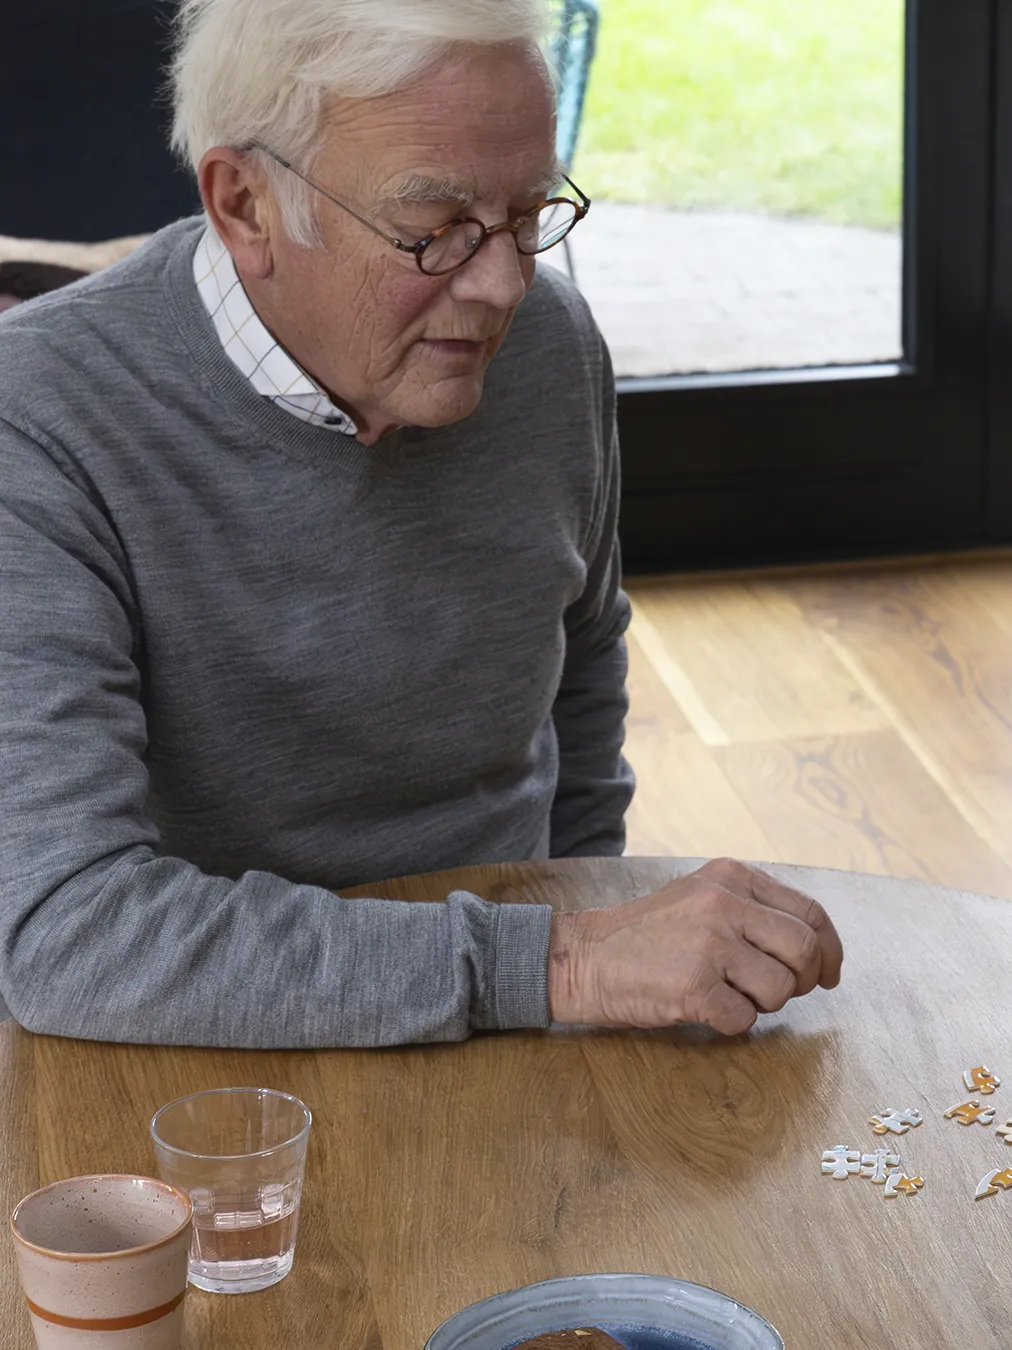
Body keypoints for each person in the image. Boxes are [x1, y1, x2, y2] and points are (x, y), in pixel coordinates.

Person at [0, 0, 841, 1048]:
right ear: (245, 205)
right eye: (435, 229)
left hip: (525, 1007)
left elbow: (583, 657)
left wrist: (586, 922)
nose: (503, 284)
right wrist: (564, 961)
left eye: (528, 213)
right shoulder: (38, 420)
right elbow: (69, 932)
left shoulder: (551, 345)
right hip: (199, 1051)